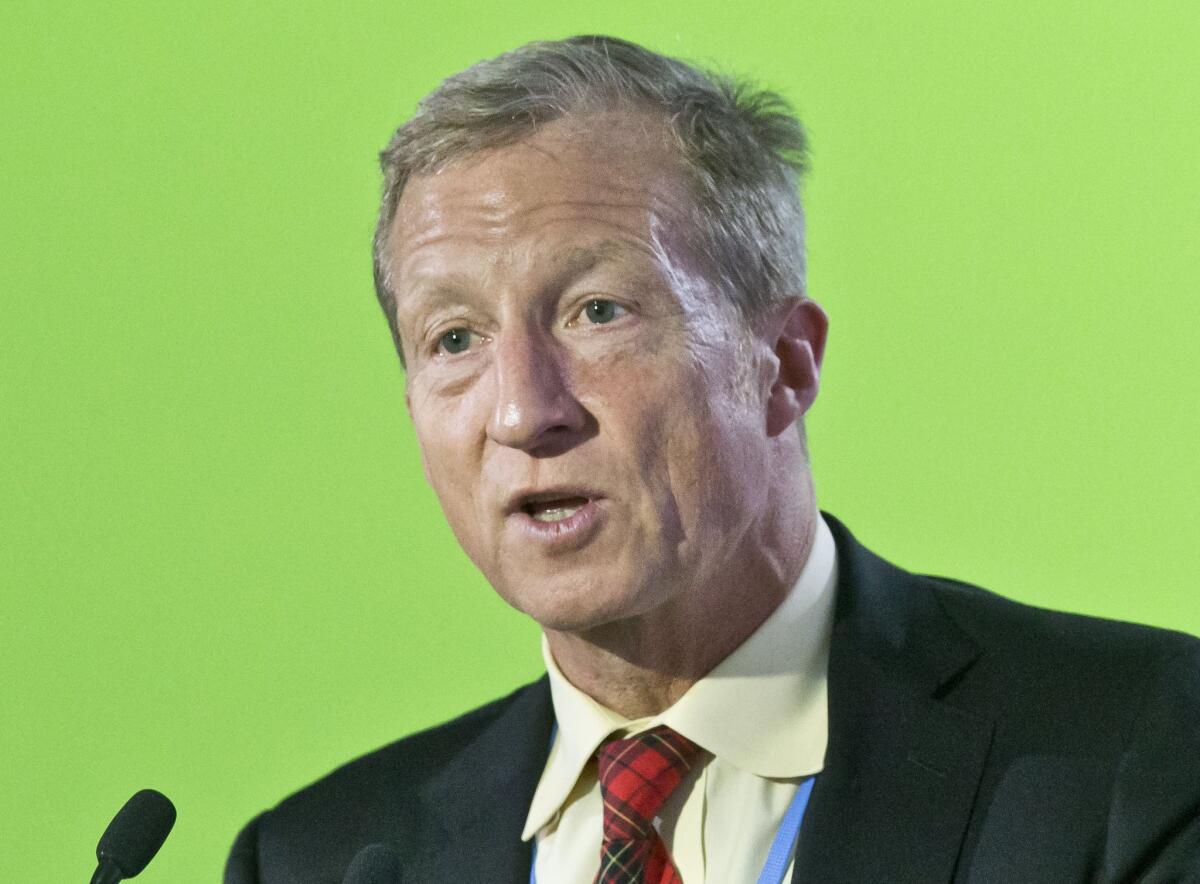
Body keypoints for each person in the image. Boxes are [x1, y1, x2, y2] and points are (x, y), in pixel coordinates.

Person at [225, 35, 1200, 883]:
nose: (524, 409)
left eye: (597, 311)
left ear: (784, 363)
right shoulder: (322, 856)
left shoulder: (1139, 755)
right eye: (452, 338)